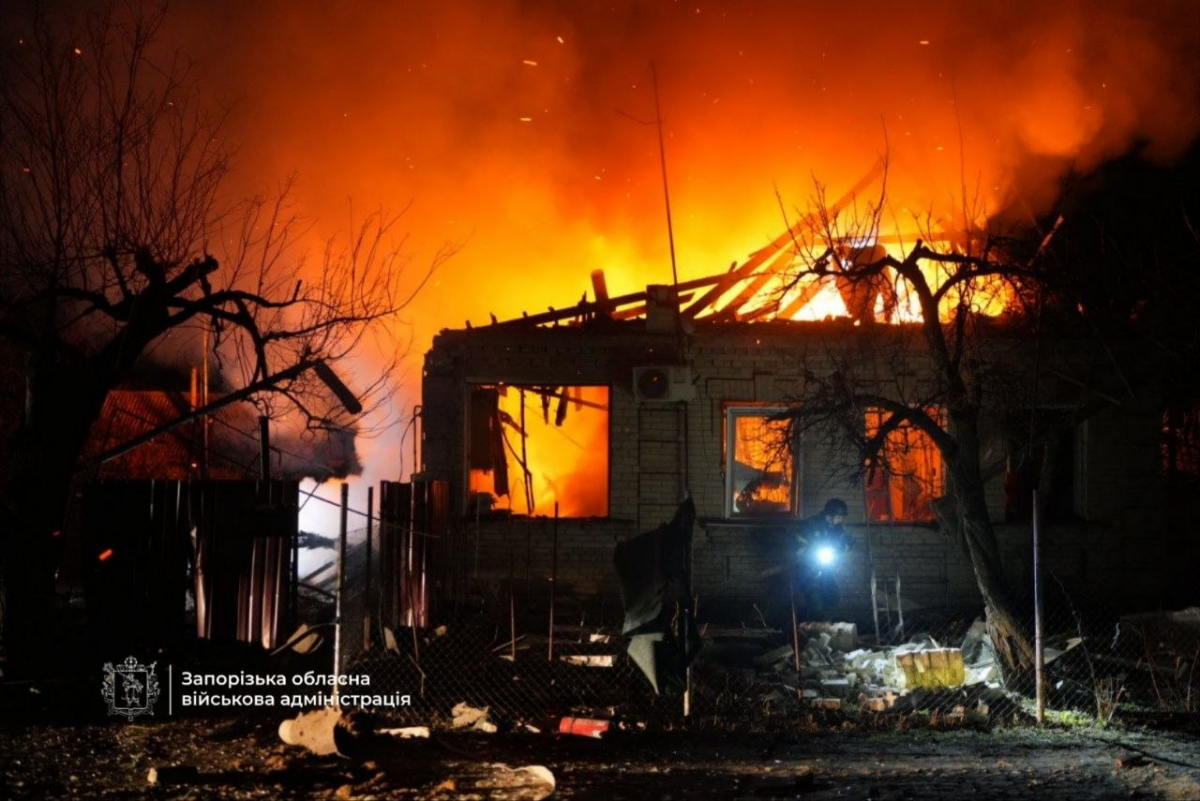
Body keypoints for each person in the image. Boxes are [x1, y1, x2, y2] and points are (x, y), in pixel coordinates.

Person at [791, 499, 852, 621]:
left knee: (833, 596)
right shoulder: (810, 525)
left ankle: (821, 623)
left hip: (826, 569)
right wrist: (810, 553)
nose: (841, 520)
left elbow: (847, 544)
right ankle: (809, 627)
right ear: (830, 515)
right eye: (839, 517)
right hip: (807, 570)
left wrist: (839, 549)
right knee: (815, 600)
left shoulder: (838, 529)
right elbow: (797, 544)